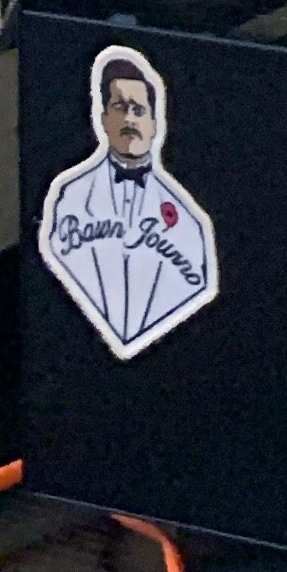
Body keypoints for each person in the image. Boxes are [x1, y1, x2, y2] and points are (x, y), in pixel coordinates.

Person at [37, 48, 218, 358]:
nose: (129, 119)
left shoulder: (188, 223)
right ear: (103, 118)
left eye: (138, 110)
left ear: (155, 124)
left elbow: (195, 285)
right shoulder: (72, 197)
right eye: (119, 107)